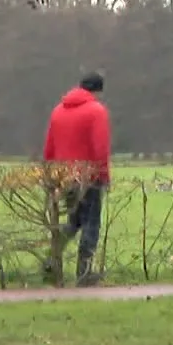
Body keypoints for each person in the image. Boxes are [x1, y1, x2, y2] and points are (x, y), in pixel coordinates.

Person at [43, 72, 113, 285]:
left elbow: (49, 148)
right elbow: (100, 148)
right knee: (91, 223)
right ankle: (84, 273)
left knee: (74, 222)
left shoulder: (58, 110)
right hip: (87, 176)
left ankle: (51, 259)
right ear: (97, 91)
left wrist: (51, 176)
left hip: (64, 176)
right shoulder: (96, 111)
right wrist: (104, 176)